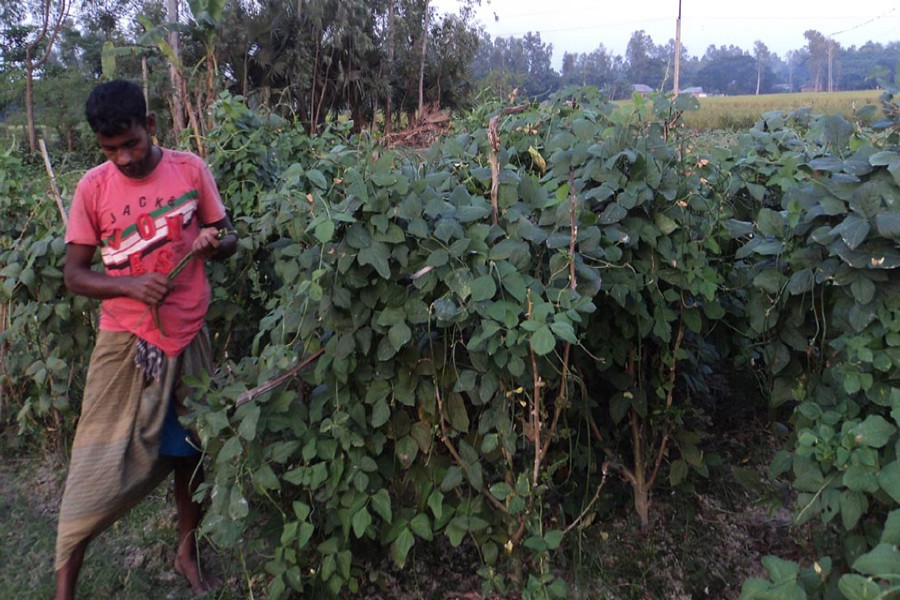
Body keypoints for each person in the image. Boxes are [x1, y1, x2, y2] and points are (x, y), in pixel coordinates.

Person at [55, 79, 237, 599]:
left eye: (131, 143)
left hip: (188, 336)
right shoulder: (93, 187)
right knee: (94, 463)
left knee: (190, 454)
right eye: (110, 150)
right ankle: (65, 585)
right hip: (125, 343)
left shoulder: (190, 170)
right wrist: (131, 285)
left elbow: (229, 235)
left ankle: (187, 552)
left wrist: (211, 243)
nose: (124, 157)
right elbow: (74, 275)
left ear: (150, 126)